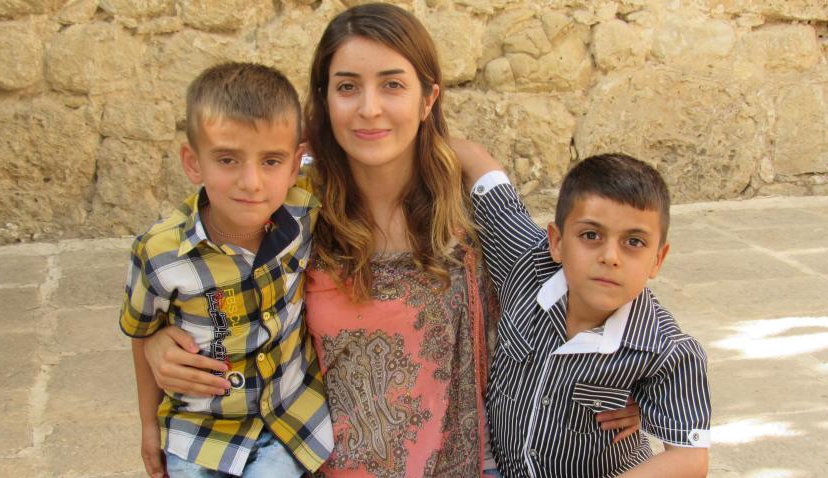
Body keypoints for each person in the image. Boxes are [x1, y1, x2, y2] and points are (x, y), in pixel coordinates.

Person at [139, 4, 643, 477]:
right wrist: (156, 345)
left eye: (393, 85)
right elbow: (185, 271)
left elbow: (582, 275)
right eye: (347, 87)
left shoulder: (468, 208)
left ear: (428, 99)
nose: (369, 109)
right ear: (325, 100)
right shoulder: (289, 208)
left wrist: (646, 380)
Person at [119, 62, 332, 478]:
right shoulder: (159, 254)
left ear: (295, 164)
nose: (251, 182)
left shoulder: (303, 206)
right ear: (193, 163)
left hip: (292, 422)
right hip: (200, 435)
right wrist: (148, 426)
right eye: (228, 159)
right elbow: (141, 335)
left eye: (271, 161)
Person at [458, 148, 711, 477]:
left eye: (633, 242)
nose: (610, 256)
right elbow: (483, 173)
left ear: (658, 260)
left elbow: (689, 460)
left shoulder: (666, 350)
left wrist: (645, 411)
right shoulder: (527, 265)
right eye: (591, 235)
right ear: (557, 242)